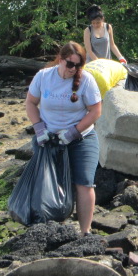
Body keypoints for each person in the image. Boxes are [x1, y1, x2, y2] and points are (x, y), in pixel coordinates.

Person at [25, 41, 102, 235]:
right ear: (60, 60)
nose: (73, 69)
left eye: (78, 66)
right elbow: (31, 103)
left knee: (84, 183)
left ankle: (85, 231)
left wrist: (73, 132)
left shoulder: (86, 80)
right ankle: (50, 229)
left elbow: (95, 111)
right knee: (48, 182)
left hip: (81, 139)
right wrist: (39, 128)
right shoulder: (44, 77)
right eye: (70, 64)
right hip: (49, 139)